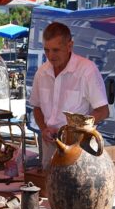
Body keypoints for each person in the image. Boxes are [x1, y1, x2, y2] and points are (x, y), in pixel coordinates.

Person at [29, 22, 109, 169]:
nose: (50, 56)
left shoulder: (87, 70)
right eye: (46, 50)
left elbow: (103, 111)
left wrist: (74, 131)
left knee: (76, 188)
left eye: (56, 50)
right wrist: (44, 129)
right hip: (50, 144)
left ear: (69, 46)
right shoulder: (42, 72)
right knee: (50, 187)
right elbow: (37, 107)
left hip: (79, 146)